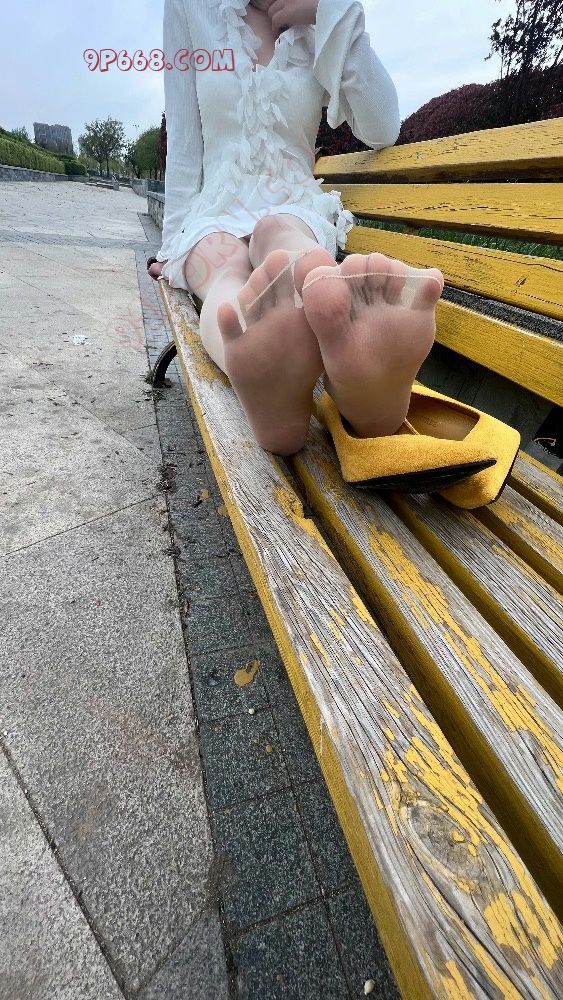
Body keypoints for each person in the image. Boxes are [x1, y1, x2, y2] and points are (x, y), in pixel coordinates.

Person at [152, 0, 445, 456]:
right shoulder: (190, 8)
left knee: (284, 238)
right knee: (222, 266)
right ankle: (266, 371)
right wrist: (173, 246)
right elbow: (185, 141)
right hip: (214, 210)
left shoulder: (318, 19)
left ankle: (360, 381)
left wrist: (329, 12)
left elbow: (383, 126)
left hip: (292, 202)